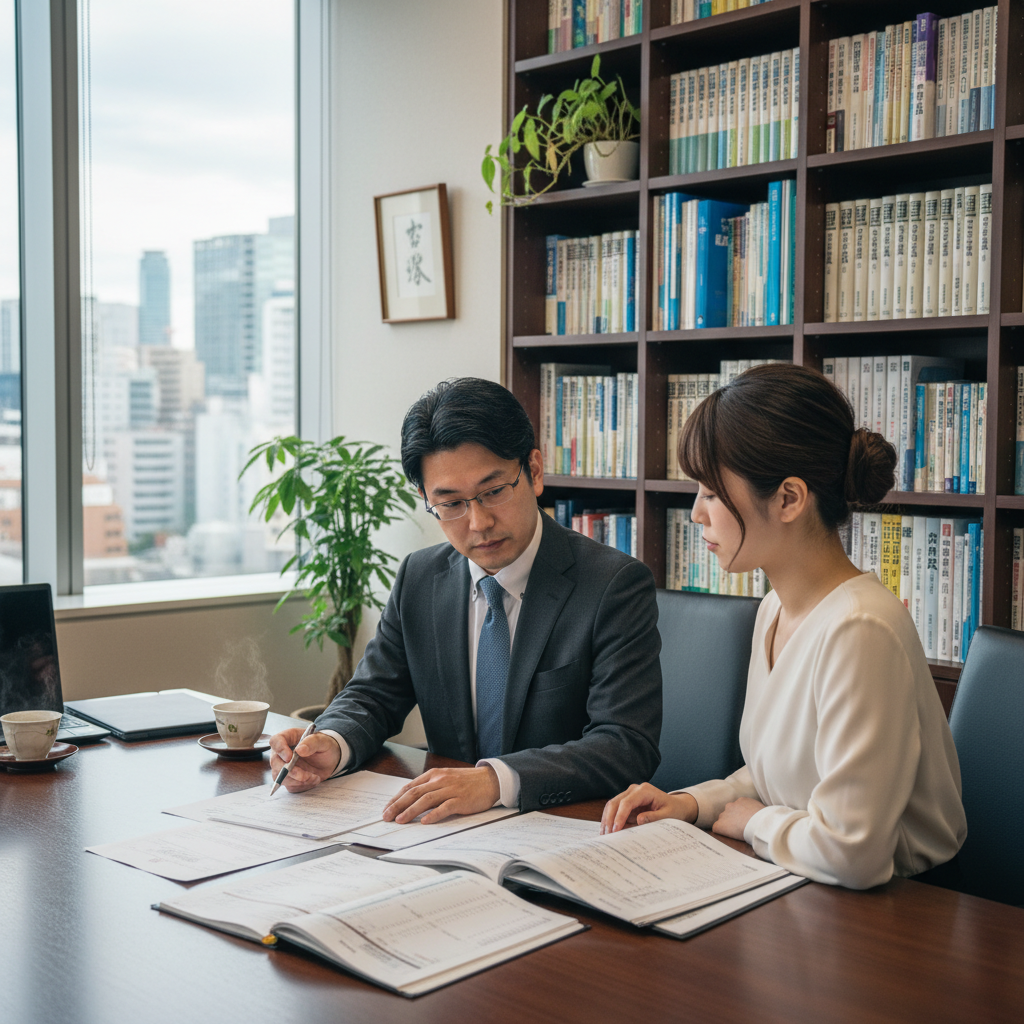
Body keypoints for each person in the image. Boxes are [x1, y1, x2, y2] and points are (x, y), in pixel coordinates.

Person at [601, 363, 966, 889]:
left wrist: (754, 821)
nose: (696, 513)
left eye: (710, 491)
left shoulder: (861, 630)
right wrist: (691, 803)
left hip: (905, 908)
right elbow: (781, 778)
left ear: (790, 499)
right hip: (804, 884)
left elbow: (853, 853)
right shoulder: (775, 608)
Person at [270, 377, 662, 823]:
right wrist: (333, 743)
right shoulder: (420, 577)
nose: (478, 522)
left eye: (494, 491)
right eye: (451, 503)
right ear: (426, 500)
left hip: (561, 829)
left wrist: (495, 781)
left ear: (533, 471)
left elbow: (625, 744)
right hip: (446, 831)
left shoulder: (613, 584)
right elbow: (373, 695)